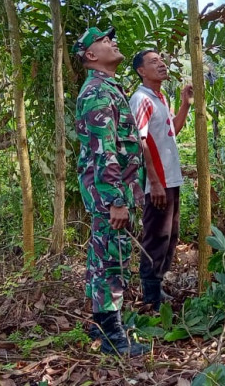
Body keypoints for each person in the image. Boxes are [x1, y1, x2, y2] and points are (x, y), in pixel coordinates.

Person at [73, 26, 148, 356]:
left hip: (112, 190)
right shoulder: (98, 92)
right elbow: (104, 150)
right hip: (109, 193)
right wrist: (116, 199)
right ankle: (112, 338)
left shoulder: (107, 88)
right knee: (111, 260)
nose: (113, 42)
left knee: (102, 255)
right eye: (104, 40)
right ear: (91, 55)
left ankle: (101, 324)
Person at [128, 50, 195, 311]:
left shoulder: (159, 98)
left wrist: (185, 104)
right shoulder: (141, 99)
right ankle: (151, 297)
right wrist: (154, 182)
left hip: (171, 178)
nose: (161, 64)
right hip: (157, 181)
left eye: (162, 60)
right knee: (156, 235)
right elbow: (140, 140)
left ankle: (158, 289)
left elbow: (172, 131)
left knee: (170, 235)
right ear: (141, 71)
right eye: (153, 62)